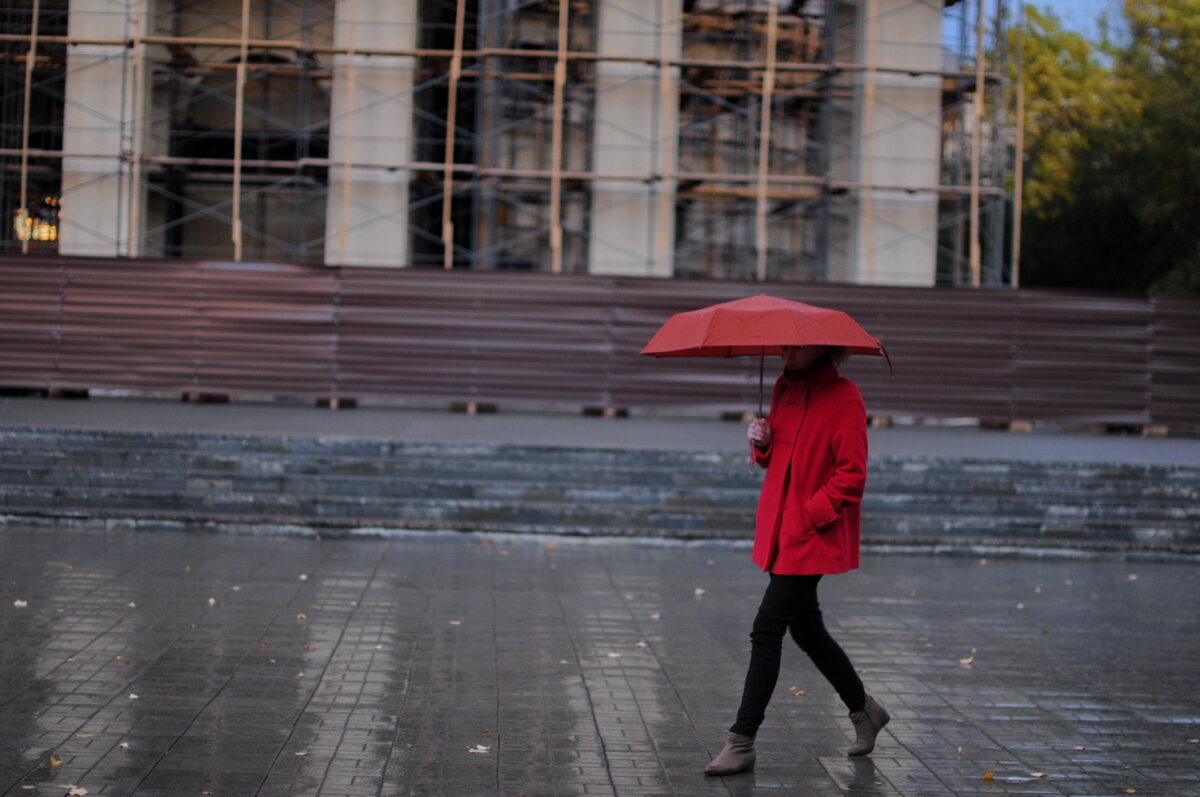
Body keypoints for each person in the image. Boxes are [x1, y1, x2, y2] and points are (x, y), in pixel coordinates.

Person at [704, 344, 889, 776]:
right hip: (779, 530)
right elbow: (778, 458)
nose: (788, 354)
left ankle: (741, 741)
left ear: (824, 349)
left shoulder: (845, 396)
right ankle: (865, 710)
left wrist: (811, 514)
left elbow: (852, 473)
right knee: (807, 629)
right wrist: (762, 444)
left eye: (798, 348)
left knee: (766, 629)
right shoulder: (783, 388)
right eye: (785, 347)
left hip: (810, 535)